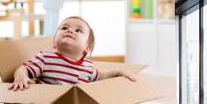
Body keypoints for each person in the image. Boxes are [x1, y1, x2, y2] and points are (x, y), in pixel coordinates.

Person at [9, 16, 137, 91]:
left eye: (78, 30)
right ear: (54, 42)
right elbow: (24, 68)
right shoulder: (46, 58)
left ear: (87, 47)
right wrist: (20, 77)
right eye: (64, 28)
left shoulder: (88, 67)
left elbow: (101, 76)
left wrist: (118, 72)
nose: (70, 30)